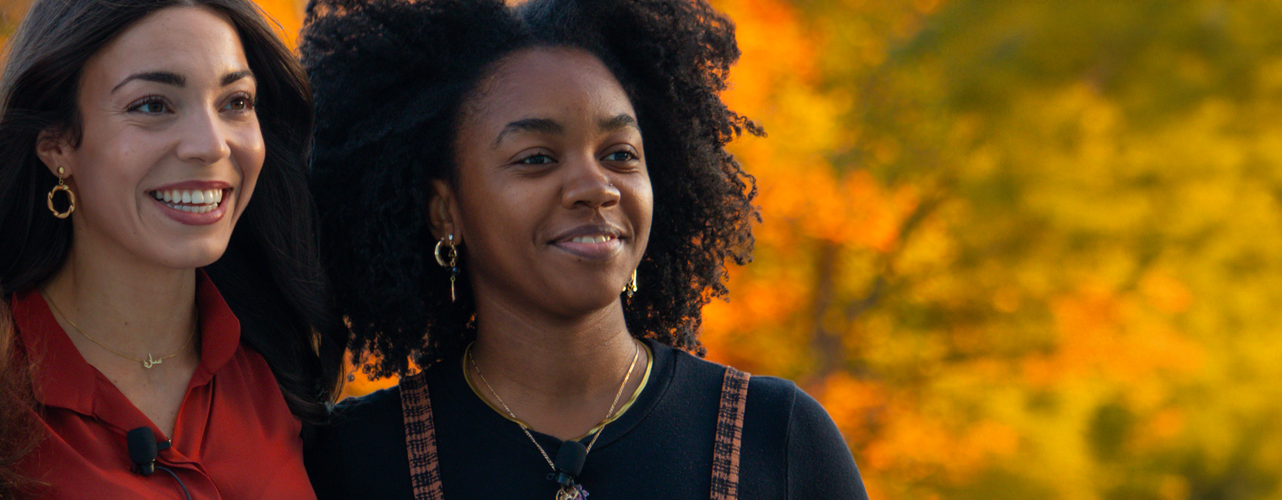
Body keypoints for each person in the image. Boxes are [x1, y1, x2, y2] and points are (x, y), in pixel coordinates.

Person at [300, 0, 871, 498]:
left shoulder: (779, 441)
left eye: (620, 153)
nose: (596, 187)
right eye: (537, 159)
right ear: (445, 210)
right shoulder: (357, 463)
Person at [0, 0, 340, 498]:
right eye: (152, 105)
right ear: (56, 142)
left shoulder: (278, 370)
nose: (211, 145)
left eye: (235, 102)